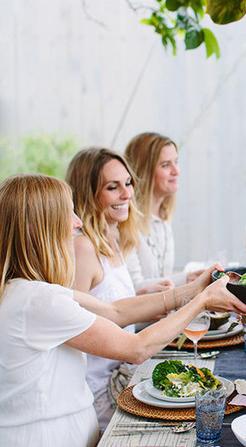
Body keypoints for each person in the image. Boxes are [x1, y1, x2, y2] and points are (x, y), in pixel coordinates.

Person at [0, 173, 246, 447]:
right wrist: (203, 302)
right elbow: (135, 347)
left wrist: (193, 290)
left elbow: (117, 311)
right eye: (68, 213)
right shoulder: (38, 301)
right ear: (41, 227)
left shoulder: (26, 290)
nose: (78, 222)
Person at [66, 147, 208, 428]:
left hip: (128, 374)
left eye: (128, 183)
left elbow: (106, 308)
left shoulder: (114, 238)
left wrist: (140, 300)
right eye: (112, 187)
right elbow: (75, 327)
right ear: (88, 194)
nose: (127, 194)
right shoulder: (83, 247)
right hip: (100, 390)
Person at [124, 132, 198, 290]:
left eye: (176, 162)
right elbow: (134, 288)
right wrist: (187, 278)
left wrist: (191, 278)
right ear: (144, 172)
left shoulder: (163, 219)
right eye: (166, 165)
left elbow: (164, 278)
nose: (176, 171)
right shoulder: (126, 223)